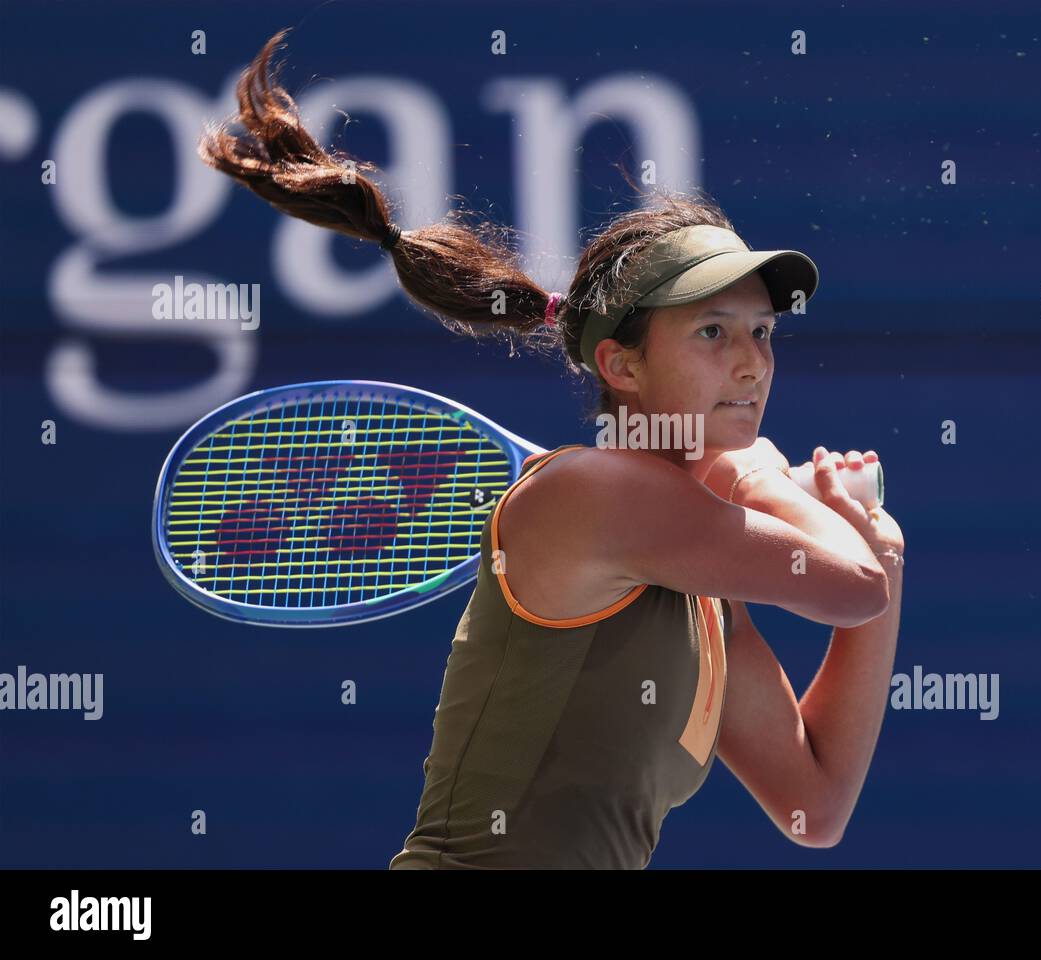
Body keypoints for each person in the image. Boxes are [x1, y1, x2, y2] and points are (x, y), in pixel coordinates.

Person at [198, 28, 906, 869]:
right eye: (713, 331)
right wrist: (770, 483)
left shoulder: (707, 577)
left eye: (762, 331)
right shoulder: (594, 492)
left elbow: (813, 806)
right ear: (621, 364)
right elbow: (846, 585)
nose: (752, 362)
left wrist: (884, 556)